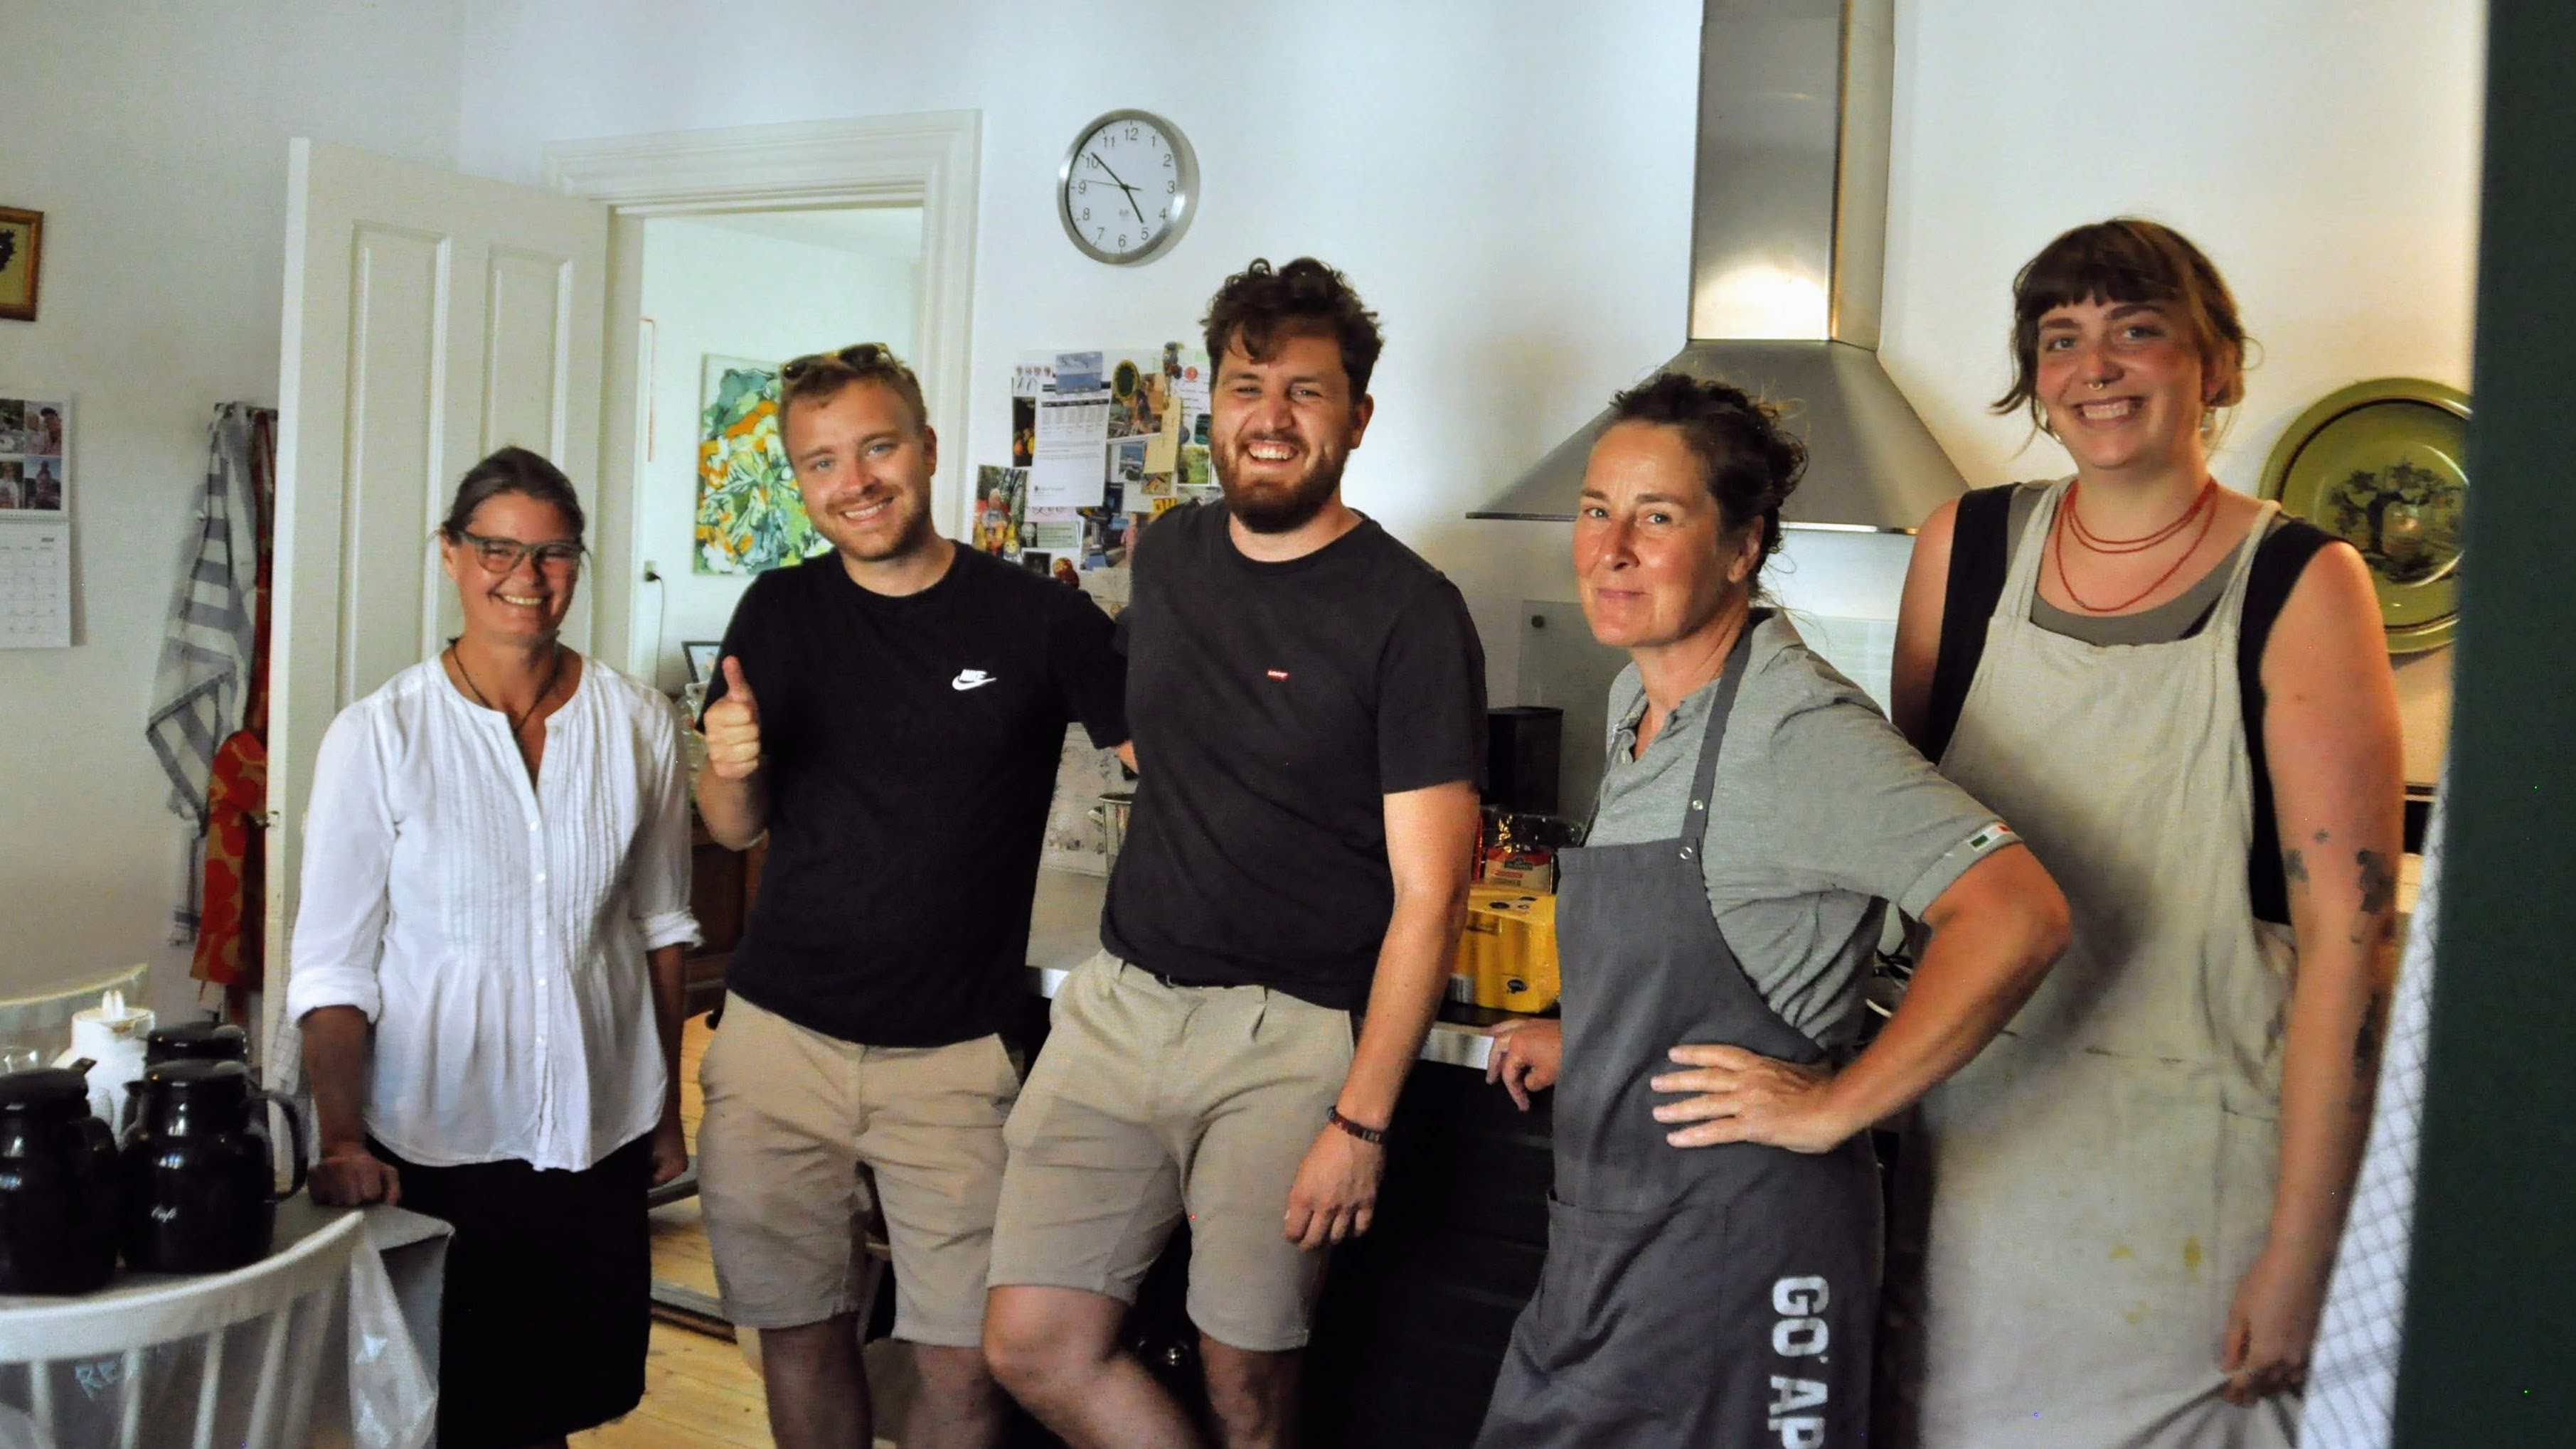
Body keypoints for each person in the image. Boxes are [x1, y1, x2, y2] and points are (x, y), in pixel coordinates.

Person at [1468, 373, 2070, 1448]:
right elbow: (1729, 928)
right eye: (1597, 509)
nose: (1610, 549)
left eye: (1657, 517)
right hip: (1618, 1238)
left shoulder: (1794, 728)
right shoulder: (1641, 698)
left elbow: (2016, 912)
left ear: (1742, 546)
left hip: (1745, 1255)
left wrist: (1833, 1108)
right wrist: (1602, 1039)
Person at [1880, 218, 2406, 1446]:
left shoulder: (2300, 581)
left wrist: (2304, 1249)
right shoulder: (1962, 552)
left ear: (2211, 365)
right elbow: (1907, 850)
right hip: (1974, 1145)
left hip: (2196, 1175)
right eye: (2060, 338)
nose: (2095, 367)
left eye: (2136, 329)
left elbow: (2351, 946)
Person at [981, 257, 1486, 1449]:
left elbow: (1431, 895)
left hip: (1289, 1034)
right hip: (1117, 1004)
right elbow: (1158, 731)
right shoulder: (1170, 553)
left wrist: (1360, 1124)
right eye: (1247, 387)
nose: (1271, 418)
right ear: (1212, 404)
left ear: (1358, 416)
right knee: (1031, 1342)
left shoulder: (1411, 611)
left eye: (1306, 391)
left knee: (1246, 1378)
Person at [693, 343, 1129, 1449]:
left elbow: (1170, 762)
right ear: (801, 479)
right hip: (777, 1044)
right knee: (799, 1338)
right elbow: (731, 826)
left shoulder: (1038, 618)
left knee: (965, 1364)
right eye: (821, 462)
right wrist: (727, 764)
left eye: (877, 447)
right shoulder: (776, 610)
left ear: (927, 449)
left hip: (953, 1060)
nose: (854, 481)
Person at [289, 446, 698, 1449]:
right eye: (497, 549)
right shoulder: (379, 735)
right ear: (450, 554)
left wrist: (664, 1110)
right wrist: (341, 1137)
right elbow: (335, 965)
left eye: (553, 552)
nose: (526, 576)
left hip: (596, 1128)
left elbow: (660, 928)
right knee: (452, 1407)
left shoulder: (637, 723)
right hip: (439, 1134)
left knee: (562, 1403)